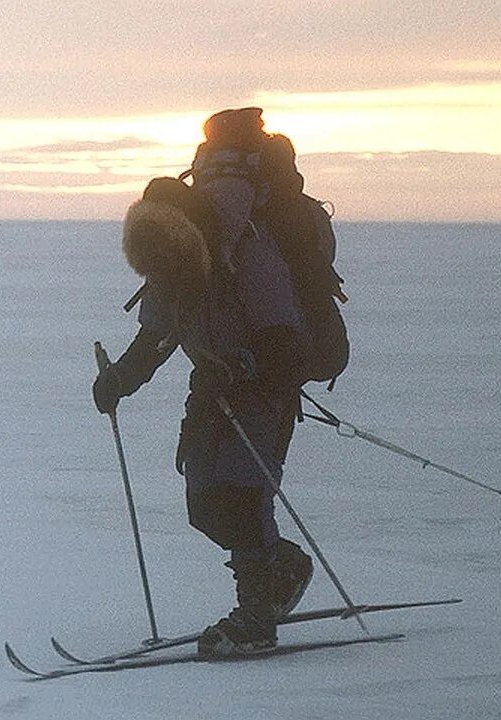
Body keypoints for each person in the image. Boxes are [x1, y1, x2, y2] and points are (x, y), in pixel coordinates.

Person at [91, 108, 321, 658]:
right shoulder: (170, 264)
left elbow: (283, 341)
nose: (157, 275)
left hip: (262, 391)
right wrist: (118, 380)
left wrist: (245, 369)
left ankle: (258, 614)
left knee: (241, 498)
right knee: (205, 506)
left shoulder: (248, 251)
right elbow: (156, 339)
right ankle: (281, 567)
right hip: (213, 389)